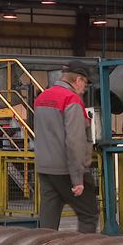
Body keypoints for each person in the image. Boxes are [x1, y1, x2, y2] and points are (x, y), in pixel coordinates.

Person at [33, 60, 98, 233]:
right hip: (67, 170)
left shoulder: (41, 98)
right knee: (89, 214)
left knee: (48, 221)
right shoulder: (71, 100)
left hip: (45, 169)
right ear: (78, 80)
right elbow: (74, 141)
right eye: (85, 82)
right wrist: (78, 179)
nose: (85, 88)